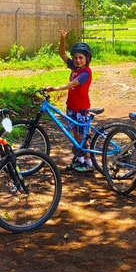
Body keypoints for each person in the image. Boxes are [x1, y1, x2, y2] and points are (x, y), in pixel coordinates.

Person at [45, 26, 94, 172]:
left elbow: (73, 84)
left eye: (81, 58)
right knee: (75, 135)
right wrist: (63, 38)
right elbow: (62, 54)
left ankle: (88, 162)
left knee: (82, 136)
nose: (78, 60)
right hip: (71, 106)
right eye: (76, 57)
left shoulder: (85, 72)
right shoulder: (74, 67)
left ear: (87, 59)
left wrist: (55, 88)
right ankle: (79, 159)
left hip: (82, 109)